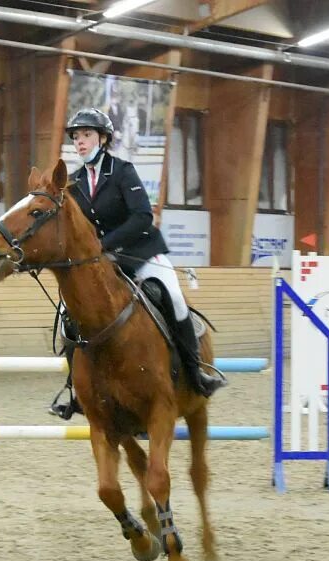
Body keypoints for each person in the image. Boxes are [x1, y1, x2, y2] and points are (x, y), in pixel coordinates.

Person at [49, 107, 226, 419]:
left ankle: (196, 372)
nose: (80, 142)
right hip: (100, 264)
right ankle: (77, 390)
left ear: (102, 139)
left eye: (86, 135)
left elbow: (142, 217)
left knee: (172, 297)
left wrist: (105, 245)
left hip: (140, 252)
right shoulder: (73, 182)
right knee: (69, 314)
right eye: (76, 137)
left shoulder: (122, 171)